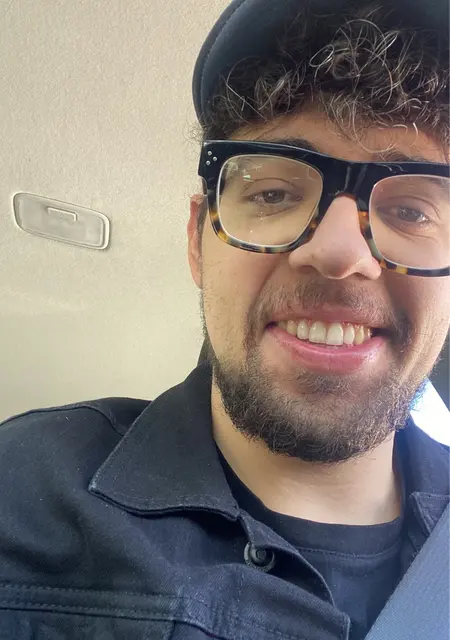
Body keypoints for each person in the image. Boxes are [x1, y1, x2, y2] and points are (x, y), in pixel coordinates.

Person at [0, 0, 449, 638]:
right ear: (197, 241)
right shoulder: (19, 491)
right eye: (274, 193)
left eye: (411, 211)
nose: (338, 252)